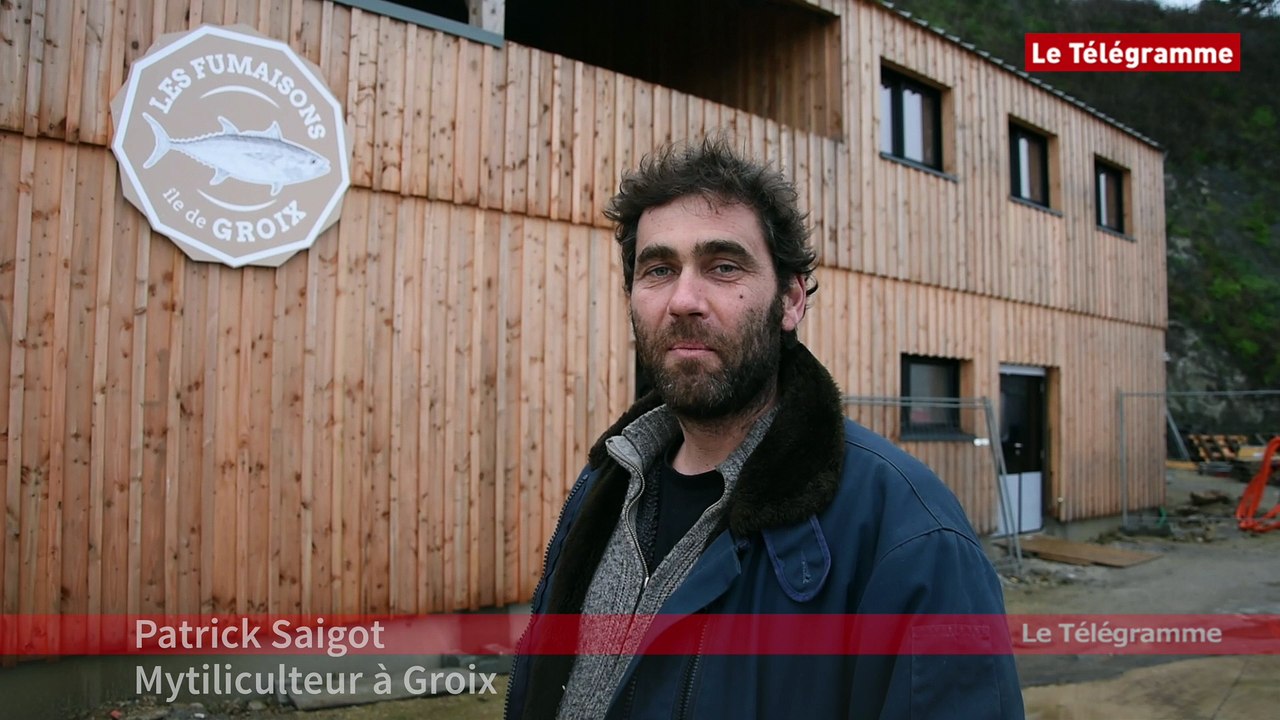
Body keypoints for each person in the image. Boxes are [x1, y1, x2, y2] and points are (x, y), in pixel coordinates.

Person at [504, 138, 1024, 719]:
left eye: (723, 266)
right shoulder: (606, 486)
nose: (683, 300)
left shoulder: (910, 536)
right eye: (659, 269)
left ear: (791, 301)